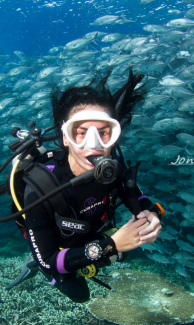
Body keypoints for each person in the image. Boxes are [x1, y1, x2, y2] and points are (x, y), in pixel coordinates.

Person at [9, 70, 164, 303]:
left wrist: (150, 213)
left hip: (92, 234)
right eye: (81, 133)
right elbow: (49, 260)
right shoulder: (41, 187)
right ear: (65, 138)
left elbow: (135, 195)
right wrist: (110, 245)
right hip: (57, 248)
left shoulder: (113, 166)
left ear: (114, 135)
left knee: (135, 250)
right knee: (79, 294)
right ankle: (41, 268)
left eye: (103, 133)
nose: (95, 145)